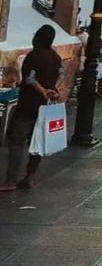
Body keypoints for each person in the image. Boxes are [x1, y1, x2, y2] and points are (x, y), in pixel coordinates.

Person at [1, 25, 63, 192]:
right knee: (37, 142)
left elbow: (29, 79)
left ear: (39, 38)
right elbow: (61, 72)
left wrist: (42, 90)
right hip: (45, 107)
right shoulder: (55, 57)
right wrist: (53, 89)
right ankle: (29, 176)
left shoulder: (33, 56)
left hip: (28, 105)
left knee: (17, 141)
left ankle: (11, 179)